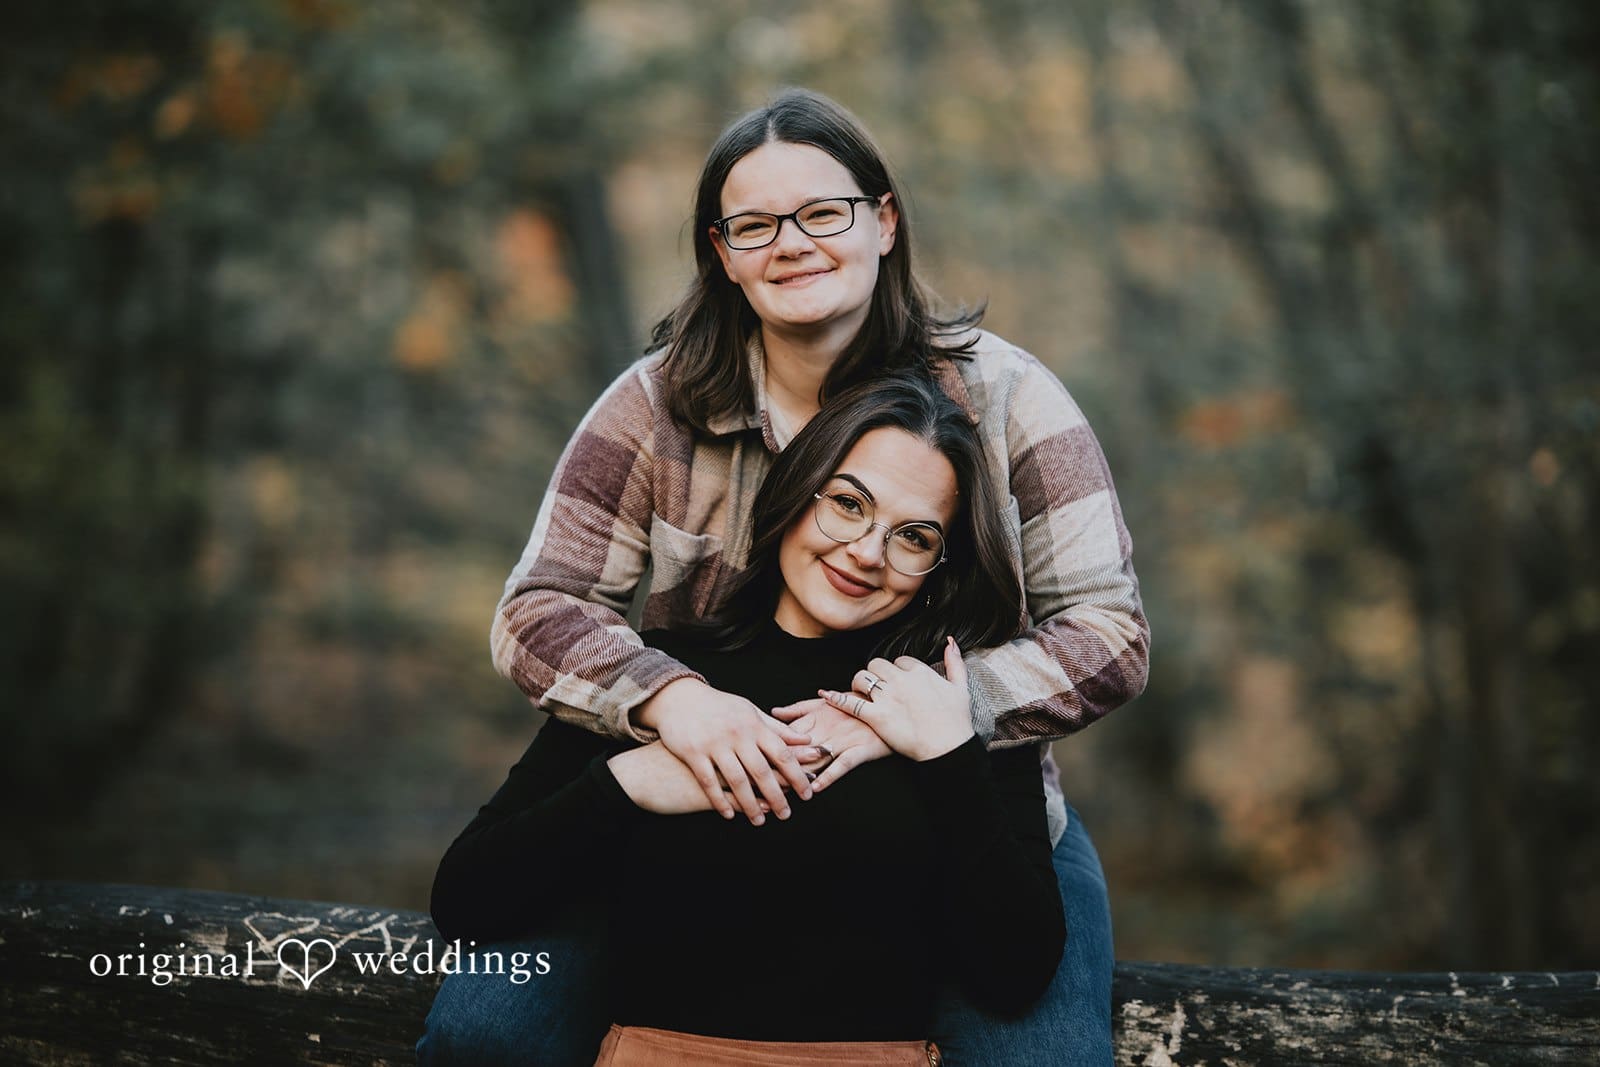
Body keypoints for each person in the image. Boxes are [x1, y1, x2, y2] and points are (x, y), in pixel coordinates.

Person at [423, 88, 1148, 1065]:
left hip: (962, 799)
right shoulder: (653, 406)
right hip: (696, 795)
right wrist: (673, 701)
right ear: (721, 253)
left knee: (1044, 1058)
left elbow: (1109, 630)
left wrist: (924, 714)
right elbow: (537, 608)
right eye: (754, 223)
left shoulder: (1008, 400)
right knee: (484, 1033)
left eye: (822, 212)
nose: (791, 242)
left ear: (883, 221)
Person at [427, 376, 1066, 1065]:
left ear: (938, 566)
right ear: (796, 493)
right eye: (848, 504)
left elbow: (1016, 974)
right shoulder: (665, 679)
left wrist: (950, 758)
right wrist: (624, 784)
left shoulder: (946, 703)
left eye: (913, 536)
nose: (866, 552)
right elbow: (466, 898)